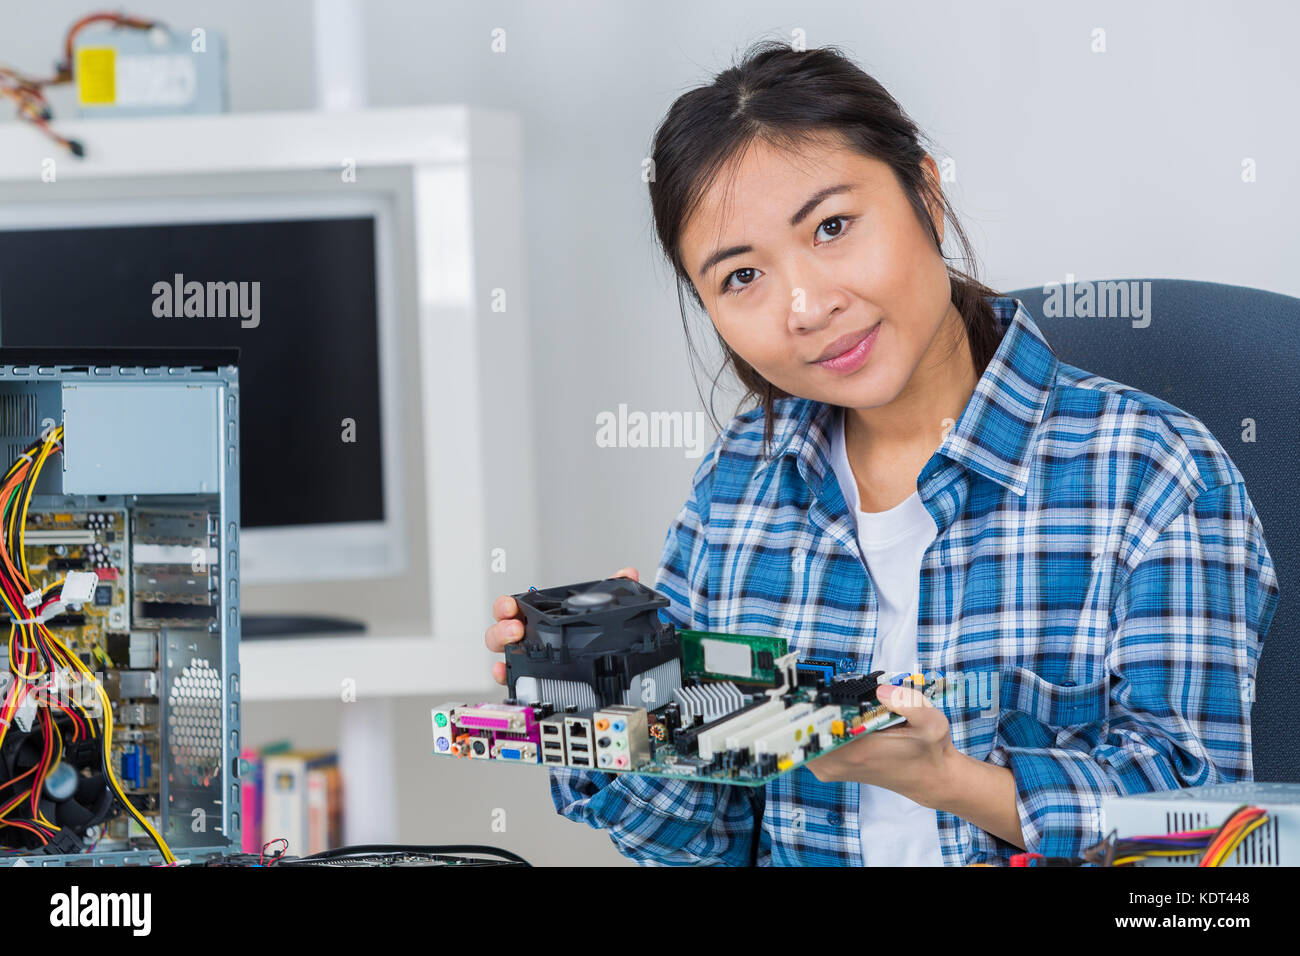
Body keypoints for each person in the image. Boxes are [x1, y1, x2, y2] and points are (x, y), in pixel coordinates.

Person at [484, 40, 1280, 866]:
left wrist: (948, 779)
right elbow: (702, 843)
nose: (807, 306)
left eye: (832, 227)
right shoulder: (740, 483)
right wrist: (608, 705)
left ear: (926, 197)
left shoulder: (1152, 472)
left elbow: (1200, 840)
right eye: (741, 277)